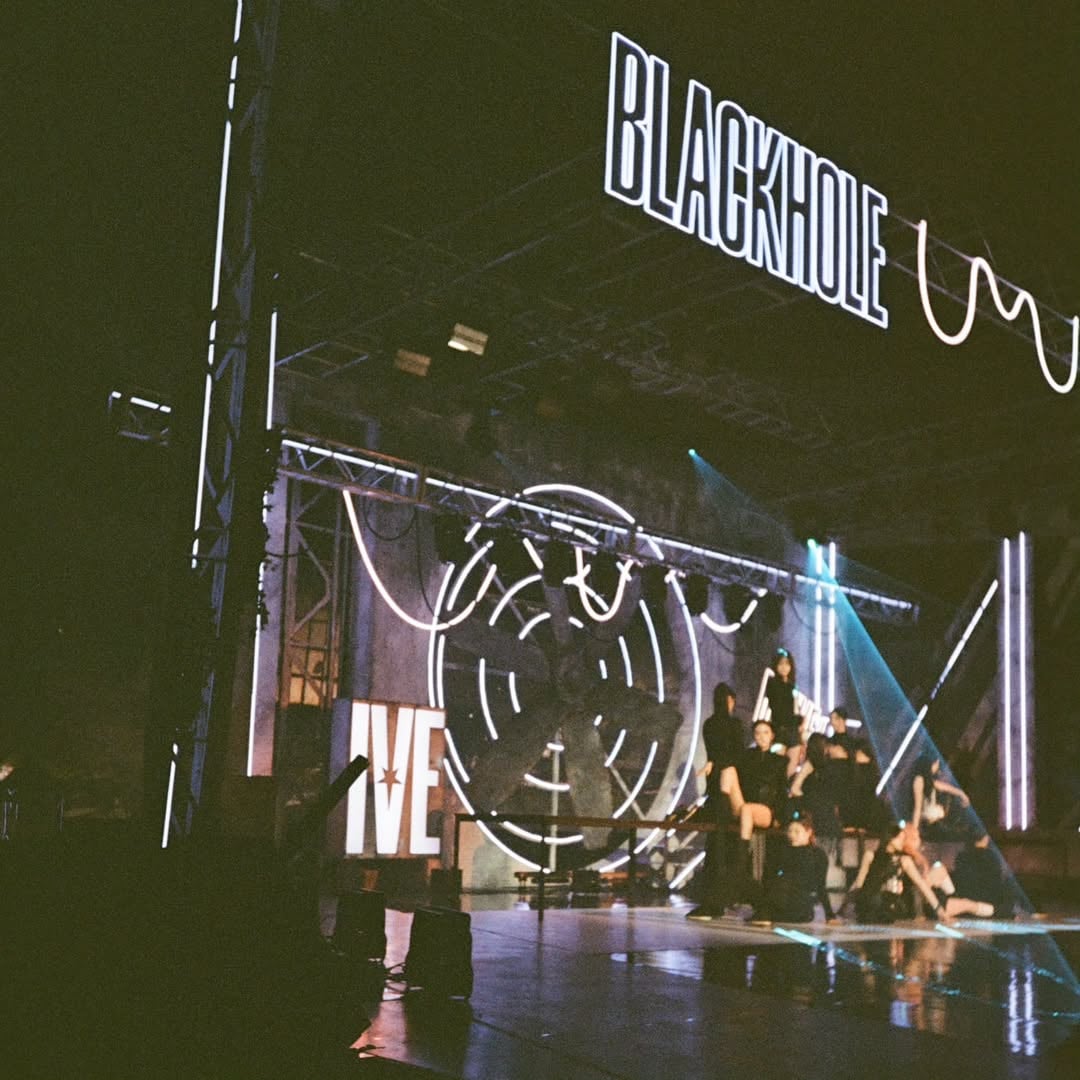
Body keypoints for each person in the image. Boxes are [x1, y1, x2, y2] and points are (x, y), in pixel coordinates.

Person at [687, 682, 744, 918]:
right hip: (729, 787)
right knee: (724, 843)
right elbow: (737, 755)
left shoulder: (710, 724)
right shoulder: (734, 725)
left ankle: (716, 900)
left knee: (717, 843)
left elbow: (715, 755)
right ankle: (720, 899)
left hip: (718, 788)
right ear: (730, 701)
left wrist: (714, 765)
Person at [719, 719, 788, 893]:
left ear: (772, 736)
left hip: (765, 809)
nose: (761, 737)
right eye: (758, 733)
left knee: (748, 809)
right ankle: (722, 817)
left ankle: (741, 863)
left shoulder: (780, 761)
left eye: (765, 732)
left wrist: (780, 817)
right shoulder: (746, 756)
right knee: (728, 770)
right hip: (744, 807)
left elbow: (782, 791)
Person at [849, 822, 951, 924]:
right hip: (869, 905)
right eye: (900, 838)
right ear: (890, 838)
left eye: (904, 838)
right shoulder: (870, 855)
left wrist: (939, 910)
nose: (903, 842)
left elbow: (921, 884)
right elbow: (859, 883)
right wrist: (847, 907)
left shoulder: (903, 860)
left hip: (888, 907)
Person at [751, 811, 840, 925]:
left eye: (797, 832)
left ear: (808, 832)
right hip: (779, 899)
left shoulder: (817, 855)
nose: (792, 835)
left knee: (785, 885)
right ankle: (765, 912)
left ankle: (766, 913)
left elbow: (820, 886)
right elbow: (768, 879)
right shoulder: (782, 851)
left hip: (799, 906)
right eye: (790, 831)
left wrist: (830, 915)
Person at [752, 648, 819, 776]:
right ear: (776, 666)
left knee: (791, 767)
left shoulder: (792, 685)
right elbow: (778, 709)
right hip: (780, 729)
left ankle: (787, 786)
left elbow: (795, 708)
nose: (784, 667)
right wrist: (797, 720)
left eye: (787, 664)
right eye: (781, 664)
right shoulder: (773, 684)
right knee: (777, 765)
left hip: (793, 732)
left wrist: (801, 721)